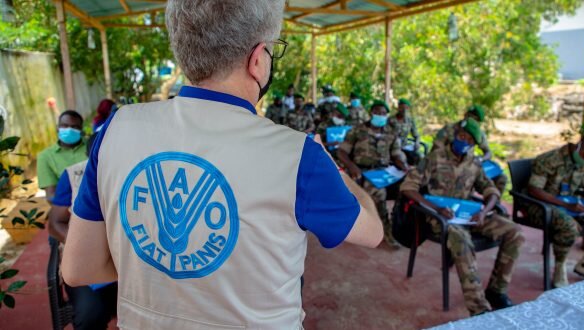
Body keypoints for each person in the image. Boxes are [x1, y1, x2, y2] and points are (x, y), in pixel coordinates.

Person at [61, 1, 383, 329]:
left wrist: (164, 272)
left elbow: (77, 269)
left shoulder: (117, 128)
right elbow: (372, 232)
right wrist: (337, 170)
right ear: (258, 59)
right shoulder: (297, 155)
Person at [400, 118, 524, 316]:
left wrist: (484, 211)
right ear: (455, 135)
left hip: (469, 215)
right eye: (461, 136)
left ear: (474, 144)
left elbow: (491, 190)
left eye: (468, 139)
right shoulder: (435, 157)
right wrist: (436, 208)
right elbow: (408, 187)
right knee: (461, 239)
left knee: (515, 232)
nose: (463, 141)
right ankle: (478, 308)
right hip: (439, 217)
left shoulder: (474, 163)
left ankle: (496, 290)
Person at [527, 131, 584, 288]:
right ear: (580, 144)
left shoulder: (583, 162)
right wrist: (565, 205)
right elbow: (534, 190)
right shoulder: (550, 160)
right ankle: (560, 268)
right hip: (541, 207)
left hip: (569, 207)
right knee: (568, 226)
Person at [49, 134, 118, 330]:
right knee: (90, 315)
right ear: (91, 154)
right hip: (87, 263)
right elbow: (55, 223)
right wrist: (83, 245)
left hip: (127, 265)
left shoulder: (132, 173)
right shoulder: (72, 175)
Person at [338, 100, 408, 248]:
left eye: (384, 113)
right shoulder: (357, 130)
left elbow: (396, 154)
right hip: (363, 171)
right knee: (379, 192)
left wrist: (403, 165)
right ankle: (385, 230)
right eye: (377, 112)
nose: (380, 116)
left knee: (408, 189)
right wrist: (352, 167)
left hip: (385, 171)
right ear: (371, 113)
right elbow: (342, 152)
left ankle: (400, 224)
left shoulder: (391, 133)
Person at [434, 105, 508, 195]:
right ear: (465, 115)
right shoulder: (449, 129)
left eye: (475, 119)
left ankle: (493, 204)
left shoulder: (478, 134)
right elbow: (436, 149)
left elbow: (488, 152)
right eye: (470, 116)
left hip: (469, 164)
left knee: (500, 178)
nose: (471, 120)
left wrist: (480, 159)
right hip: (449, 163)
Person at [37, 110, 87, 201]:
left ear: (81, 129)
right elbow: (51, 195)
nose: (69, 129)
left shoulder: (94, 147)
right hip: (67, 208)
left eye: (74, 127)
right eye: (65, 126)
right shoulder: (45, 157)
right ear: (57, 128)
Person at [389, 98, 421, 165]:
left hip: (405, 145)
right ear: (398, 108)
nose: (403, 110)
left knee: (419, 157)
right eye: (402, 108)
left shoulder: (410, 120)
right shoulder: (391, 120)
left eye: (406, 108)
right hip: (393, 146)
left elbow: (416, 135)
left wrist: (417, 142)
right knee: (401, 159)